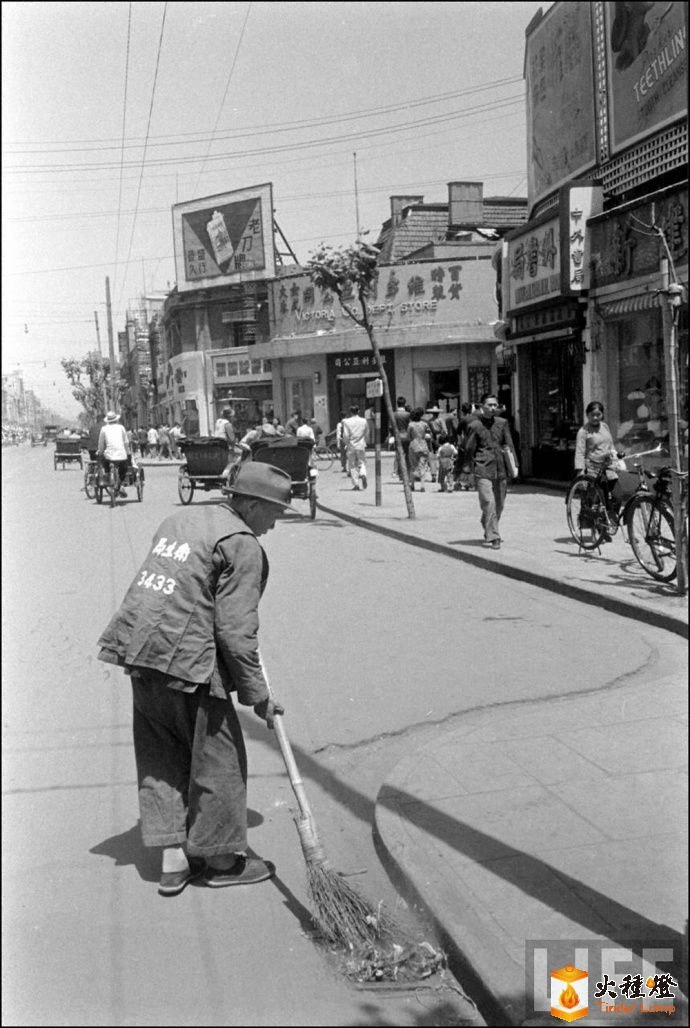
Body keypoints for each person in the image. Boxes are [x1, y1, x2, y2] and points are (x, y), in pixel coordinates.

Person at [96, 462, 291, 895]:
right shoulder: (241, 544)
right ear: (252, 504)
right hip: (191, 665)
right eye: (275, 513)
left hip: (142, 652)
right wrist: (258, 696)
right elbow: (235, 632)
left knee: (161, 755)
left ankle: (173, 861)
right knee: (218, 760)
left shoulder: (181, 519)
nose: (275, 525)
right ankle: (221, 858)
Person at [464, 393, 517, 549]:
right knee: (489, 501)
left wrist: (515, 466)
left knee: (499, 504)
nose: (493, 408)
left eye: (495, 405)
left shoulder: (502, 423)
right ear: (482, 406)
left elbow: (509, 444)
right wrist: (467, 469)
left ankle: (487, 523)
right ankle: (494, 536)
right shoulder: (475, 425)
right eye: (490, 405)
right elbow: (469, 448)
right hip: (482, 467)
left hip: (500, 467)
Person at [573, 401, 621, 542]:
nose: (595, 418)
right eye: (592, 415)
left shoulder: (605, 426)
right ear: (587, 415)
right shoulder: (583, 432)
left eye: (598, 414)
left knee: (617, 497)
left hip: (609, 467)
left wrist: (617, 459)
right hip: (593, 469)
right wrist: (580, 471)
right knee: (595, 501)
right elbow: (580, 452)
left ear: (602, 415)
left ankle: (606, 522)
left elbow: (611, 445)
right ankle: (597, 529)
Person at [97, 411, 131, 498]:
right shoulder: (121, 427)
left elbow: (101, 443)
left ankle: (108, 475)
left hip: (109, 455)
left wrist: (100, 451)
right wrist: (128, 451)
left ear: (107, 420)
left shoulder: (104, 429)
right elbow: (126, 442)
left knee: (105, 464)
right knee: (123, 469)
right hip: (121, 454)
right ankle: (122, 486)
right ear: (116, 419)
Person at [342, 404, 368, 490]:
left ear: (350, 412)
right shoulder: (364, 421)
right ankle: (363, 474)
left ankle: (356, 484)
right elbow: (366, 433)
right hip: (361, 444)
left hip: (351, 445)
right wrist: (365, 441)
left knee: (352, 465)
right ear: (358, 411)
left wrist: (346, 443)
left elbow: (345, 435)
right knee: (362, 462)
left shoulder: (346, 421)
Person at [407, 407, 432, 491]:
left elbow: (408, 437)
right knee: (422, 466)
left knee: (413, 466)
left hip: (413, 445)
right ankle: (422, 486)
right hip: (423, 445)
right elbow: (429, 434)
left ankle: (412, 485)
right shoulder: (424, 424)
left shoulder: (410, 425)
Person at [393, 397, 411, 479]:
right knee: (407, 455)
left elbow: (391, 427)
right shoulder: (408, 414)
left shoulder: (393, 414)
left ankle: (399, 473)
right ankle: (406, 473)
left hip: (398, 436)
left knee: (399, 455)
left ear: (397, 403)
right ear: (404, 403)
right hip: (407, 436)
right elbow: (410, 426)